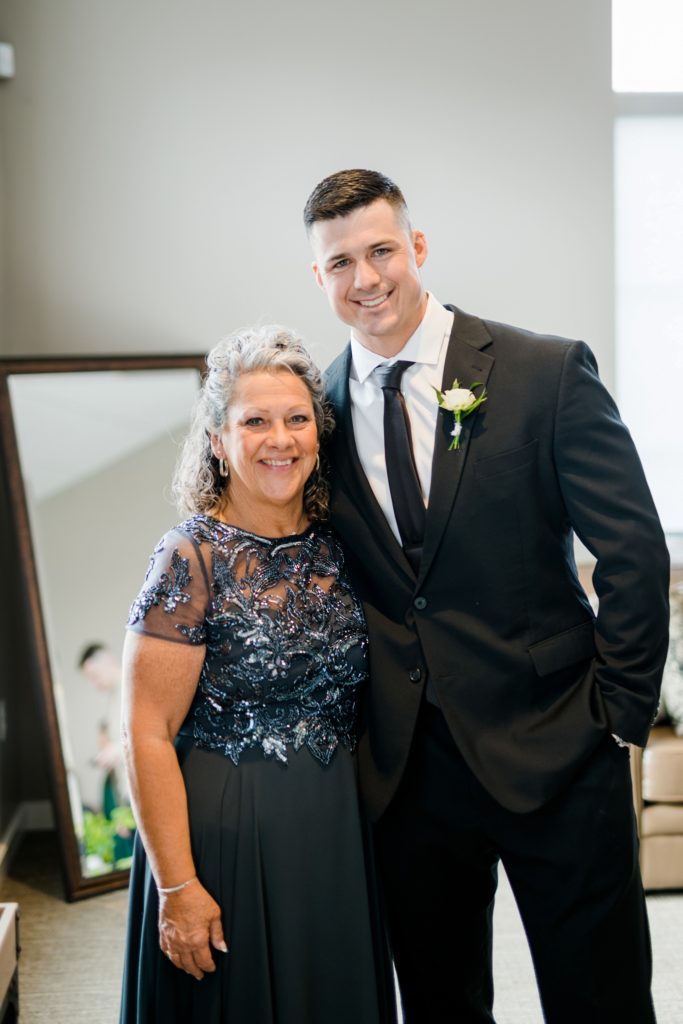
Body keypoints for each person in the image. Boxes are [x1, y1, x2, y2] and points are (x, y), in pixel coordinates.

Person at [304, 168, 670, 1023]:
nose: (365, 278)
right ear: (317, 276)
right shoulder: (313, 413)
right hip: (407, 773)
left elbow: (631, 549)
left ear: (417, 246)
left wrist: (618, 713)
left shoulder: (544, 371)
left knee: (601, 1000)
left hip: (558, 740)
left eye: (381, 250)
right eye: (340, 262)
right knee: (441, 1003)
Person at [118, 325, 395, 1024]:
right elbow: (145, 733)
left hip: (334, 826)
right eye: (255, 422)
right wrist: (177, 887)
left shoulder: (341, 545)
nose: (280, 439)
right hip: (225, 836)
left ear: (318, 432)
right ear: (217, 439)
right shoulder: (190, 557)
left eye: (296, 419)